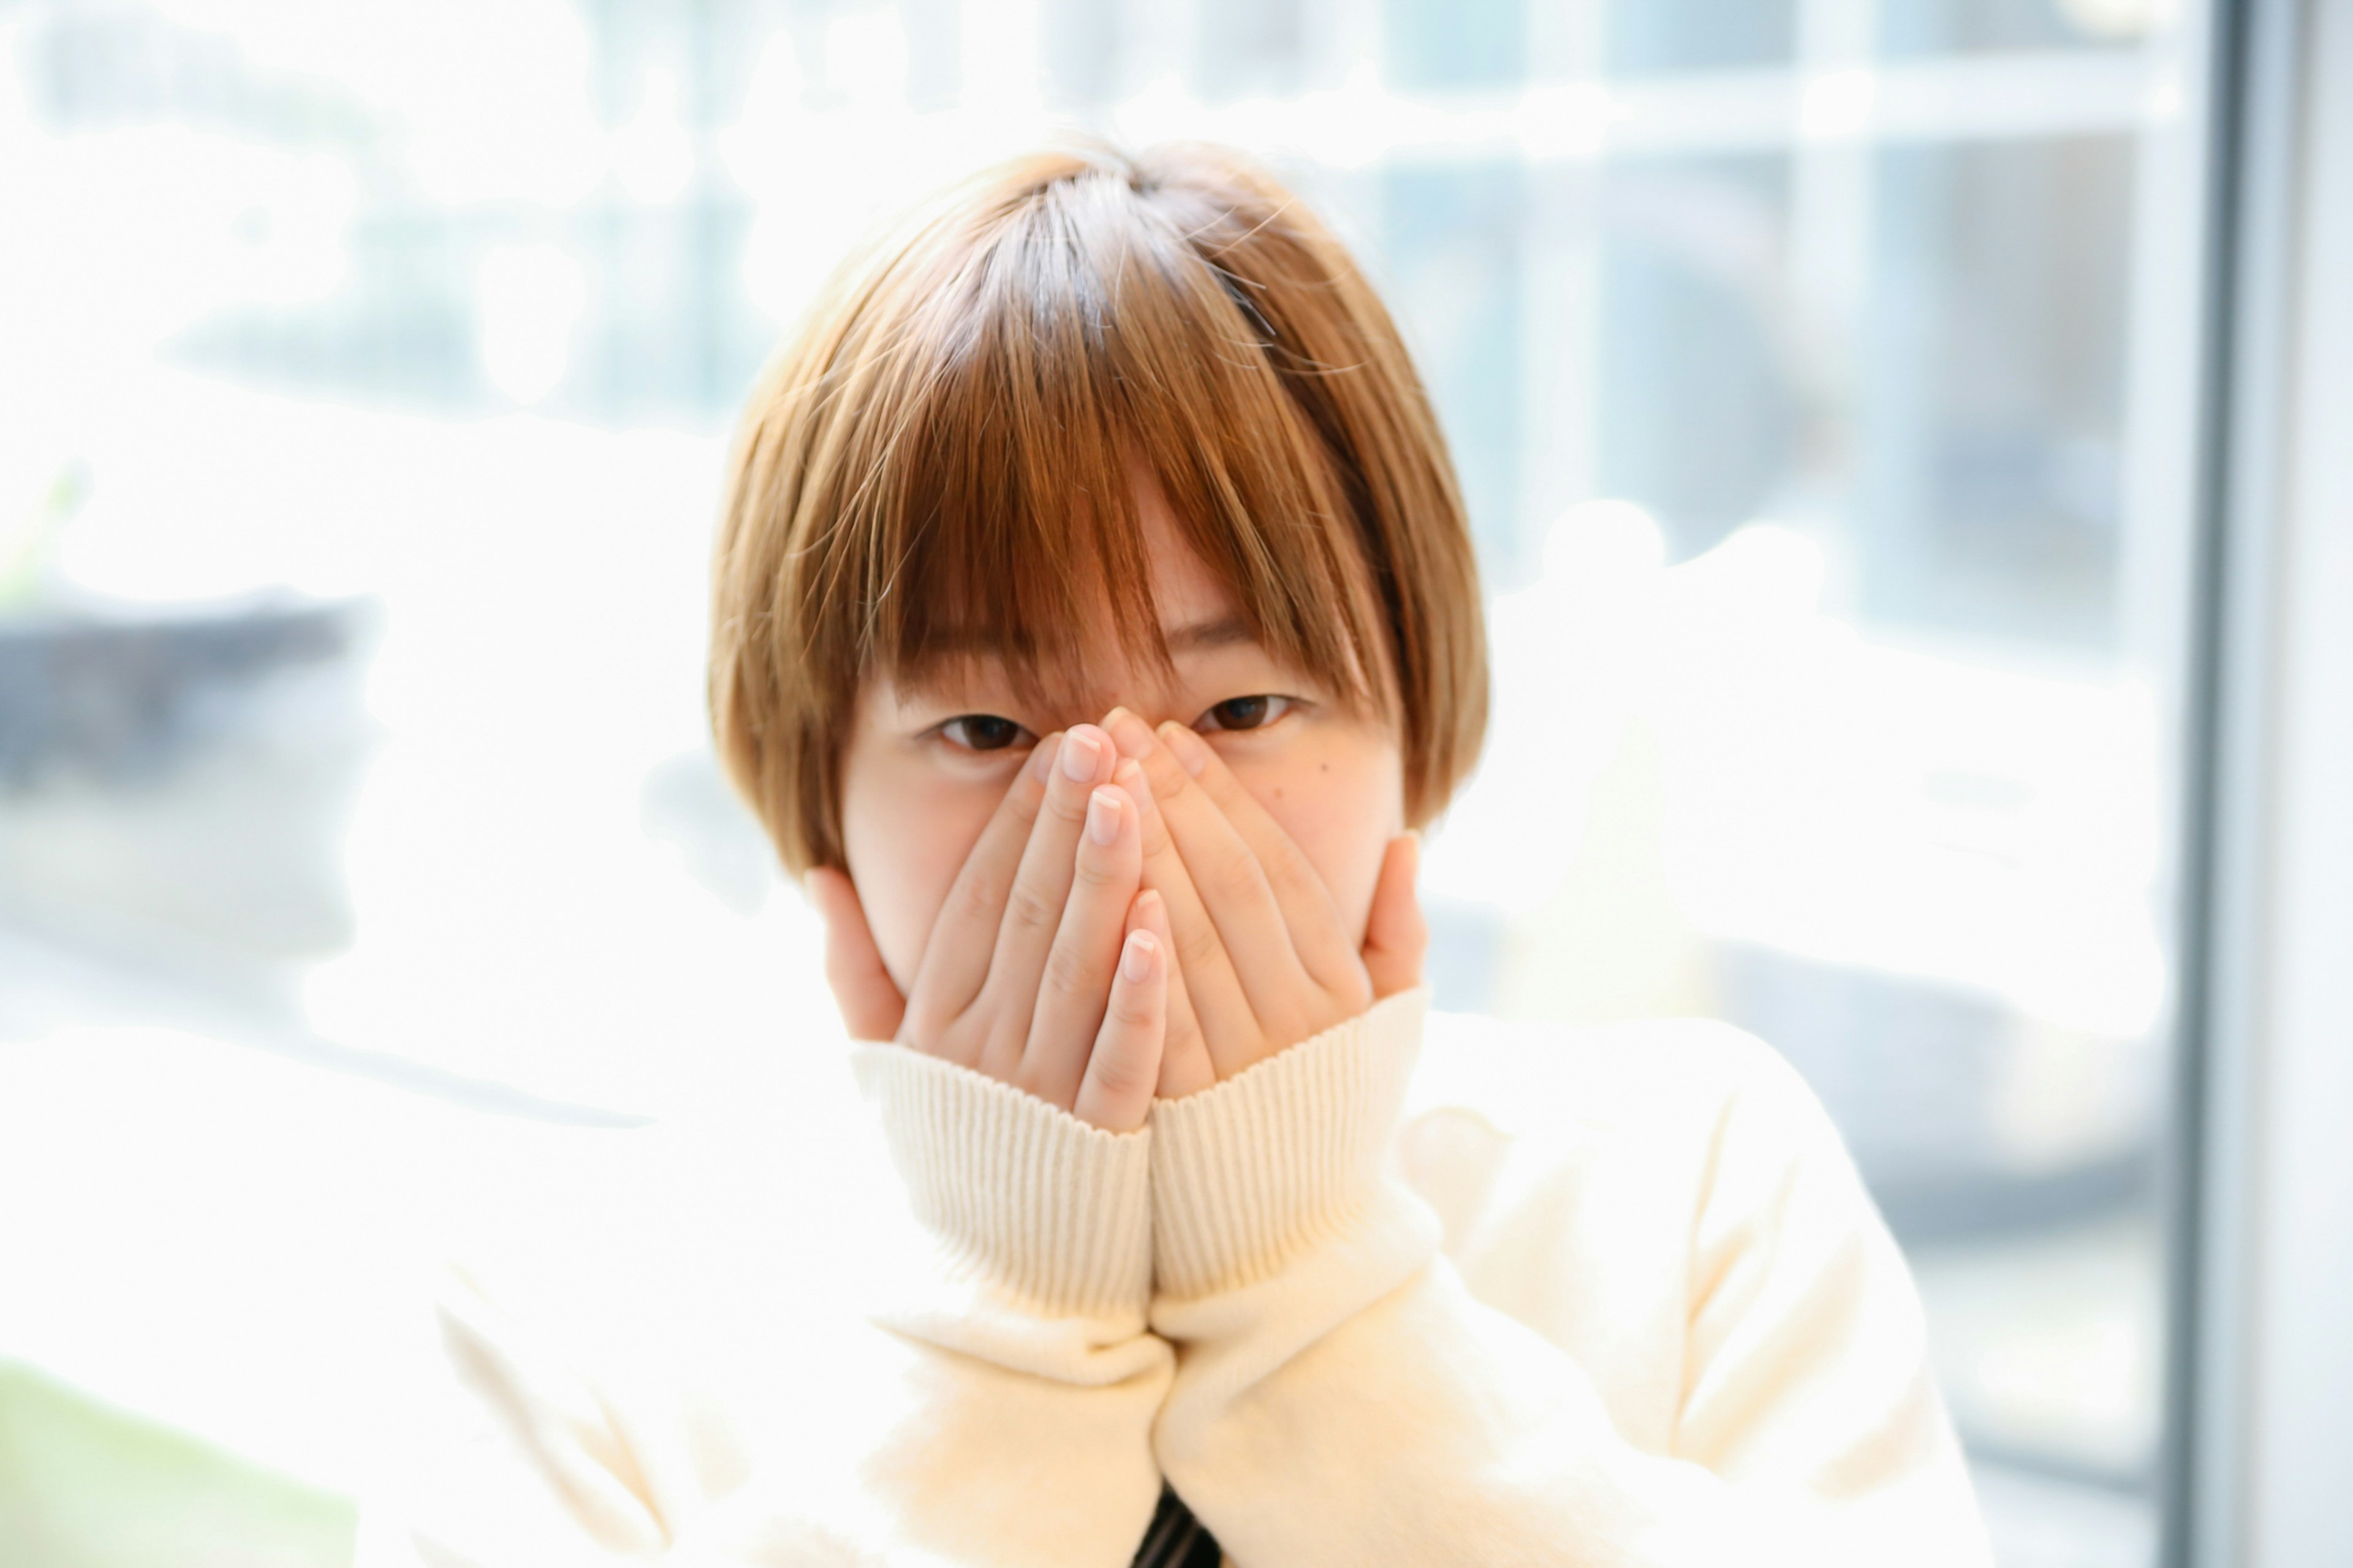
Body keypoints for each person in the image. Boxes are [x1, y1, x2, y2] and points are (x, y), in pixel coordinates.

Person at [365, 143, 1993, 1567]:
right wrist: (1004, 1318)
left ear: (1412, 732)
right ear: (815, 799)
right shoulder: (561, 1309)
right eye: (989, 735)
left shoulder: (1694, 1193)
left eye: (1244, 706)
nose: (1124, 830)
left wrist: (1313, 1286)